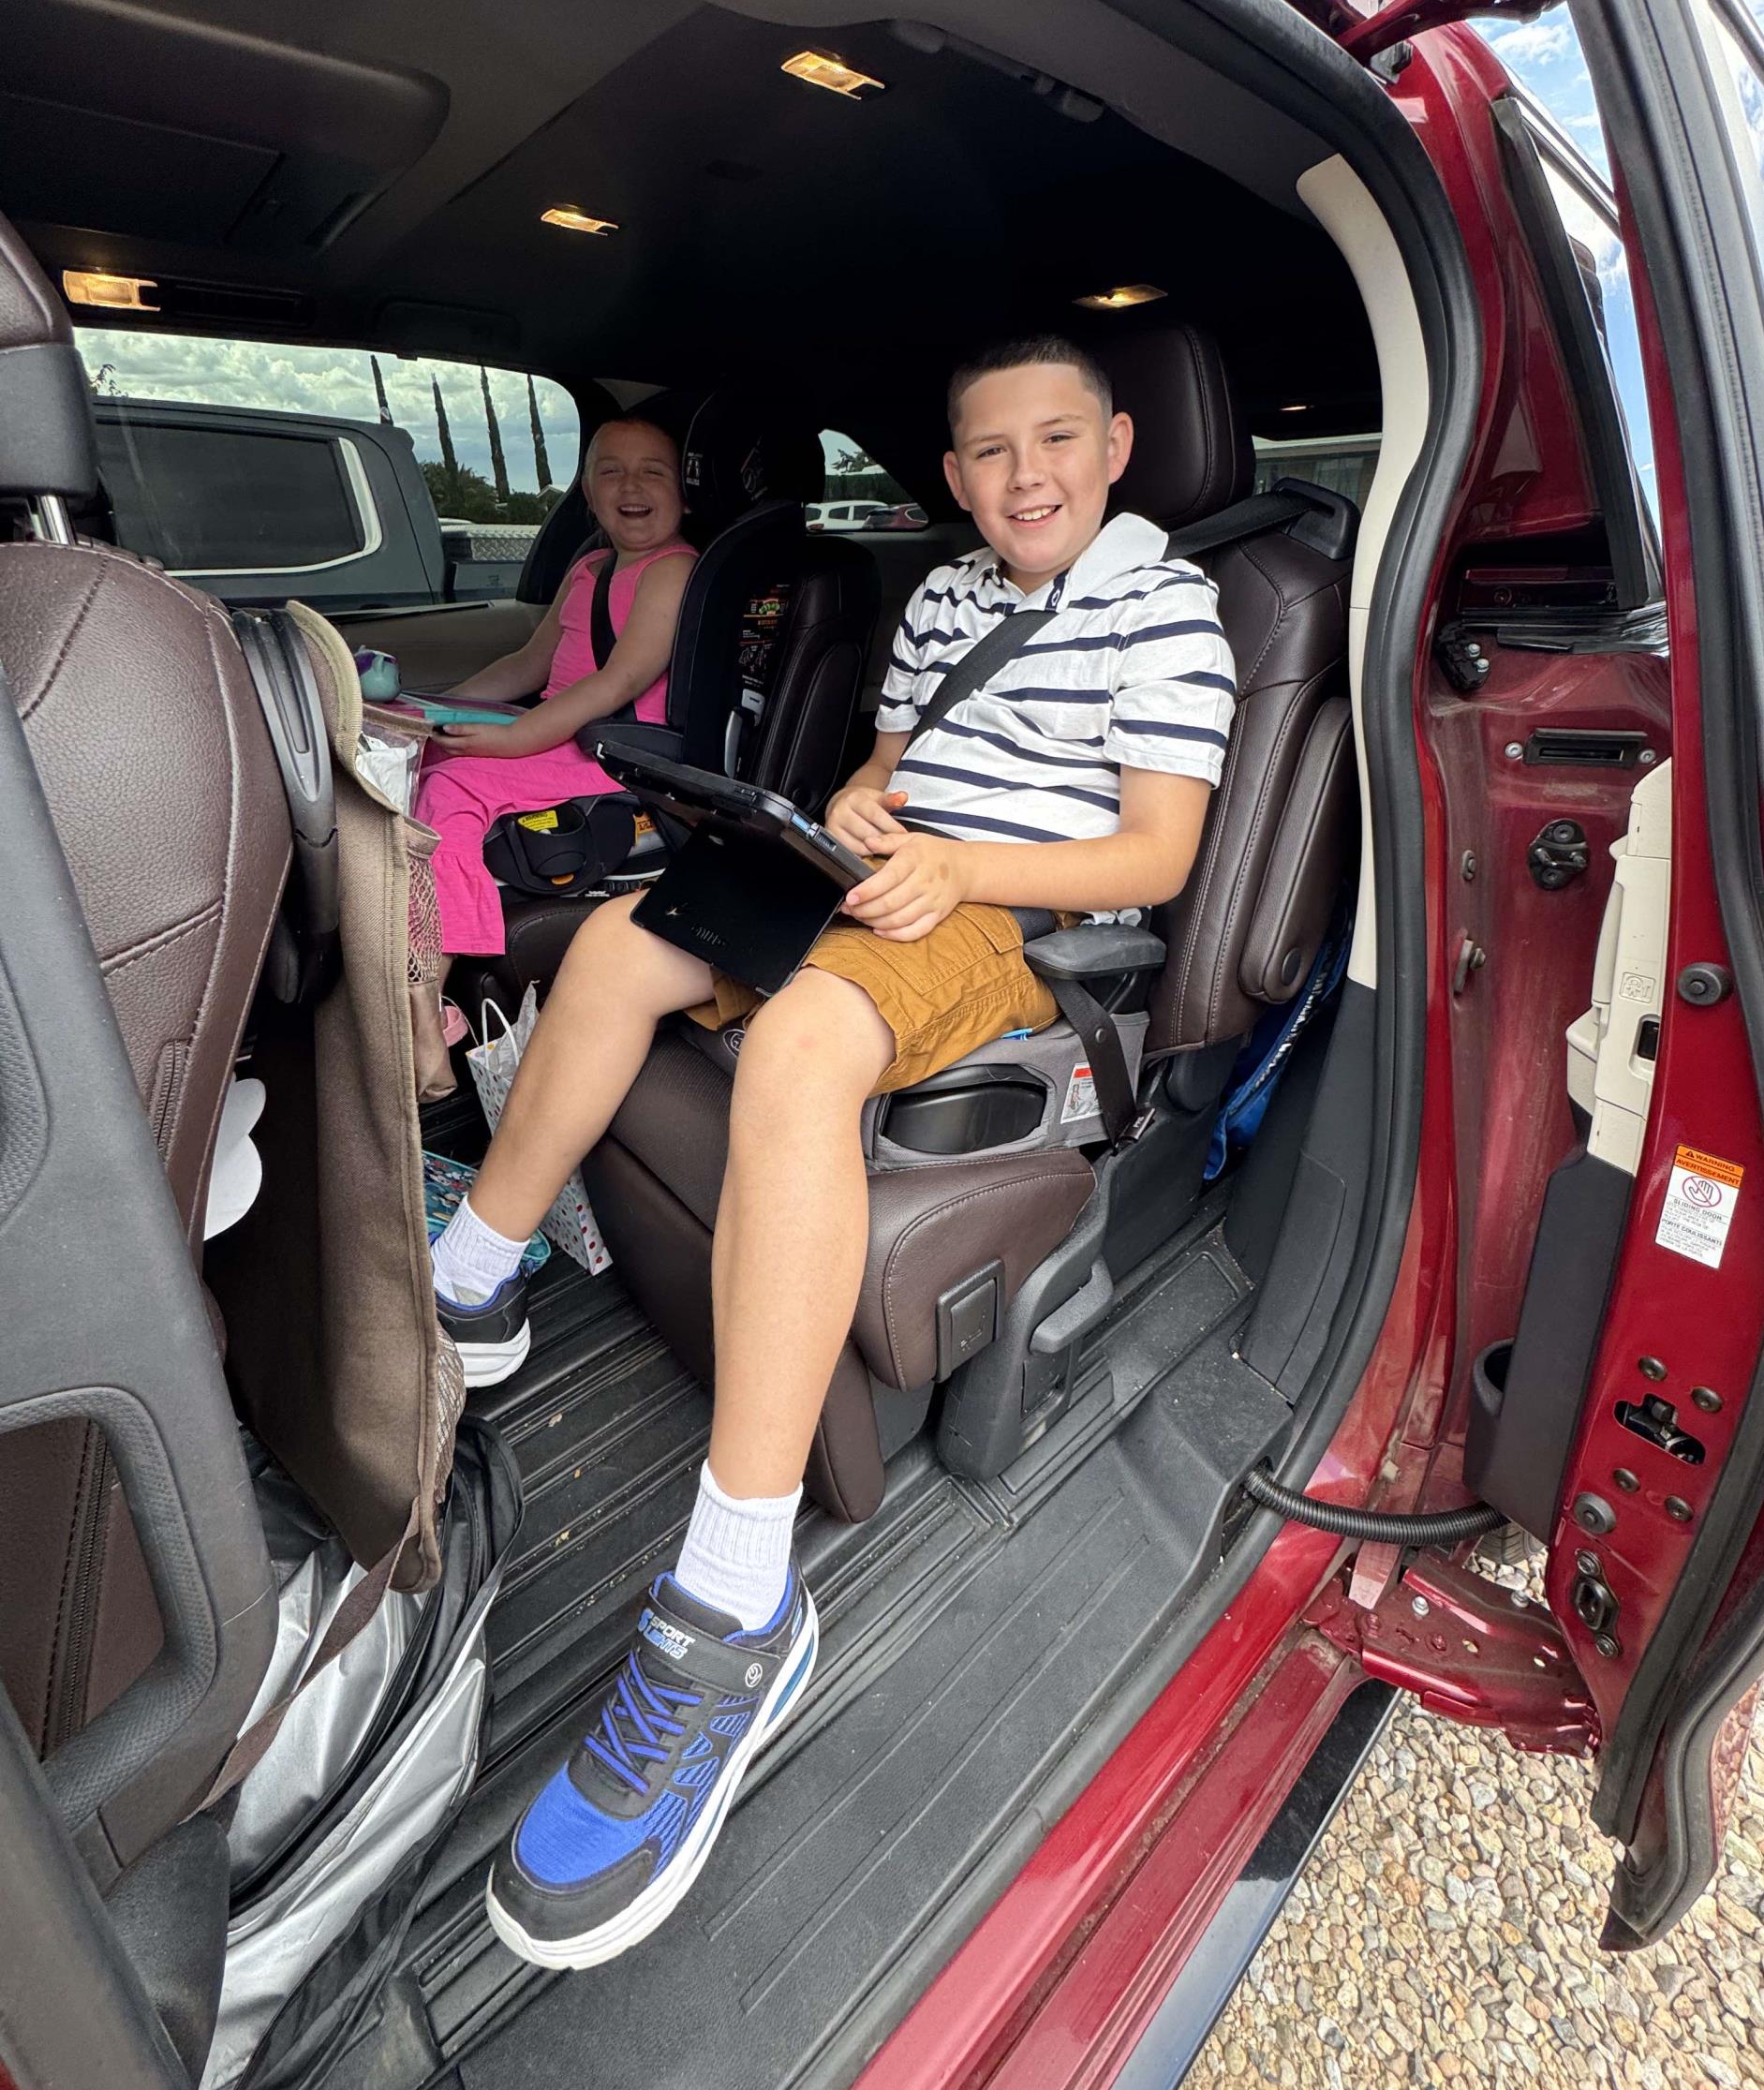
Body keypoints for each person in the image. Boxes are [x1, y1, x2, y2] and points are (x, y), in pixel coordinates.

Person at [433, 336, 1238, 1971]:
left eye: (1059, 440)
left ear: (1119, 445)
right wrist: (862, 808)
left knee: (795, 1046)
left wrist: (951, 863)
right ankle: (472, 1283)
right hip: (883, 880)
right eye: (990, 450)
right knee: (614, 951)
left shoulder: (1169, 607)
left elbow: (1159, 847)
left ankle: (737, 1605)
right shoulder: (945, 593)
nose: (1026, 475)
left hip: (1013, 924)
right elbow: (891, 757)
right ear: (951, 477)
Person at [411, 417, 697, 962]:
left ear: (683, 495)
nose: (631, 486)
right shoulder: (590, 565)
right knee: (422, 757)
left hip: (621, 753)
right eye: (611, 472)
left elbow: (621, 679)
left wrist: (517, 737)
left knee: (452, 790)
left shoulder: (673, 570)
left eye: (652, 473)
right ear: (589, 494)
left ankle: (437, 964)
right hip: (564, 736)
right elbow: (529, 664)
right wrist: (432, 711)